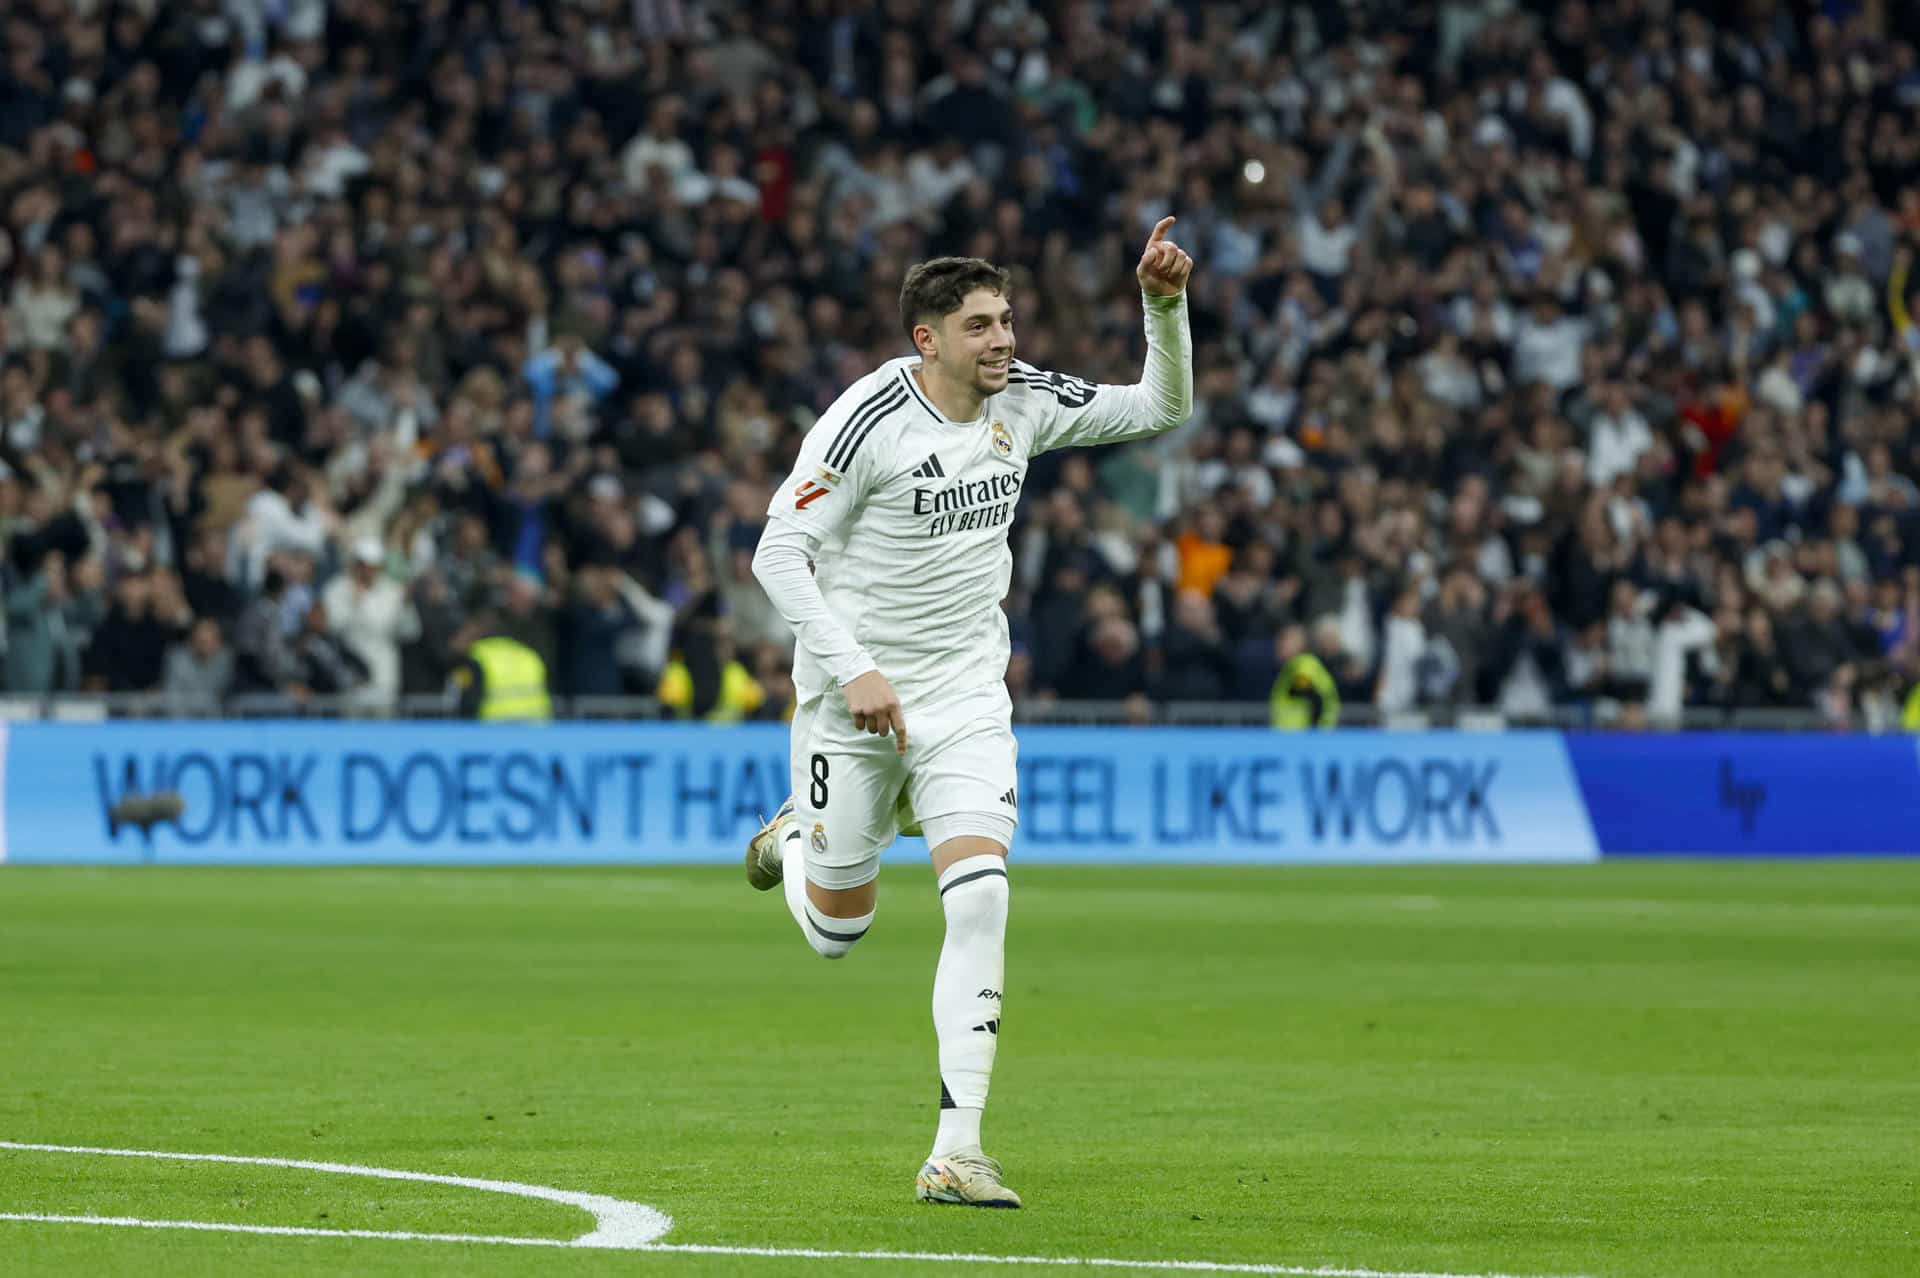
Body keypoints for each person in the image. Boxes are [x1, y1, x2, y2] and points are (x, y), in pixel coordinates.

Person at [743, 219, 1195, 1207]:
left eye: (1009, 320)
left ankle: (957, 1148)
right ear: (928, 340)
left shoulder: (1023, 402)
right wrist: (854, 668)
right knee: (835, 935)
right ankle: (794, 843)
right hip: (853, 706)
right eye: (982, 326)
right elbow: (777, 555)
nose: (1005, 340)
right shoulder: (862, 423)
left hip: (963, 701)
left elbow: (1163, 404)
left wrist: (1163, 305)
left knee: (982, 896)